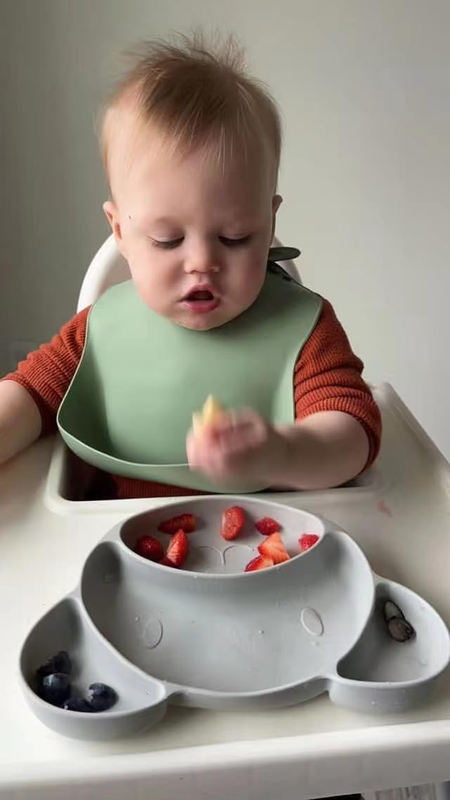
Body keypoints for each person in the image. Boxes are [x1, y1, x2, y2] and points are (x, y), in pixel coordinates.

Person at [0, 33, 381, 499]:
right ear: (119, 231)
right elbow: (28, 396)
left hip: (264, 536)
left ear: (269, 222)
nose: (202, 262)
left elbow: (354, 434)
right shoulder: (98, 333)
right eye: (168, 240)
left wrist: (281, 451)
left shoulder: (305, 331)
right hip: (119, 535)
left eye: (235, 237)